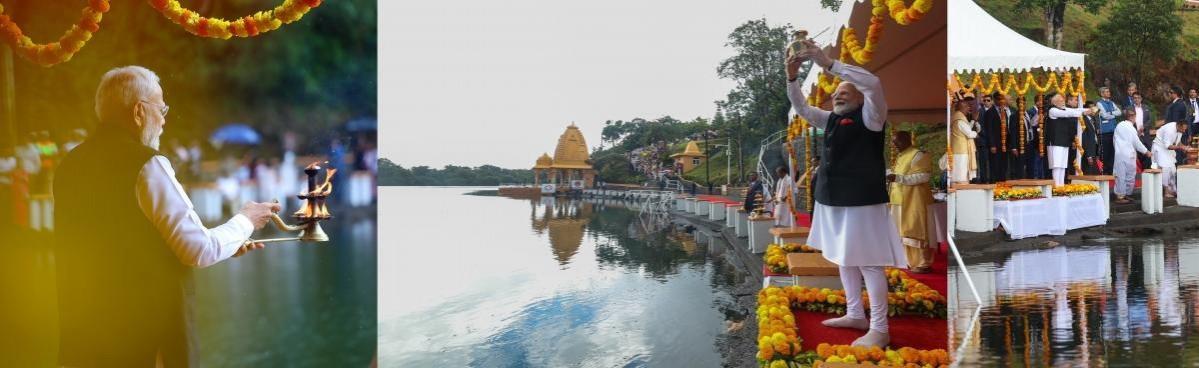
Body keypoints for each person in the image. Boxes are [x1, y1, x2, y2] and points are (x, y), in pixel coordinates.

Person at [53, 66, 281, 367]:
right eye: (161, 109)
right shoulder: (147, 165)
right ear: (138, 112)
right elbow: (199, 249)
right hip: (144, 342)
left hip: (83, 340)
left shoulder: (69, 164)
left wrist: (231, 241)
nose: (163, 120)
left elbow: (117, 242)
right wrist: (246, 220)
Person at [787, 39, 905, 347]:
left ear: (859, 98)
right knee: (844, 258)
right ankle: (855, 313)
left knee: (869, 262)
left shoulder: (872, 116)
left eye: (844, 92)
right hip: (832, 199)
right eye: (835, 93)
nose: (836, 96)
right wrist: (791, 78)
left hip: (862, 200)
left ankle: (880, 328)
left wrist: (828, 63)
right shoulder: (830, 120)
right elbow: (800, 107)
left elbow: (873, 83)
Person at [887, 131, 934, 273]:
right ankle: (906, 260)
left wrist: (899, 178)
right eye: (893, 142)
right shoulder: (901, 156)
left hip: (914, 201)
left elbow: (924, 176)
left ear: (907, 140)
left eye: (897, 142)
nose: (894, 145)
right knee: (900, 233)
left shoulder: (918, 154)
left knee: (916, 230)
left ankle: (922, 263)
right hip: (897, 200)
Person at [1046, 94, 1094, 185]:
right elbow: (1068, 113)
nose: (1063, 101)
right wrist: (1083, 113)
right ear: (1055, 102)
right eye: (1061, 100)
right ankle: (1056, 186)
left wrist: (1088, 110)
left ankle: (1061, 185)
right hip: (1055, 142)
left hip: (1064, 141)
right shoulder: (1052, 110)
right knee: (1057, 166)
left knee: (1063, 166)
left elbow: (1075, 110)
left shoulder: (1062, 108)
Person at [1114, 107, 1151, 204]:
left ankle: (1125, 194)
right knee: (1125, 175)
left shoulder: (1119, 125)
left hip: (1121, 153)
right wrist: (1146, 151)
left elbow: (1116, 140)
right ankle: (1121, 196)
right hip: (1127, 153)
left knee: (1126, 174)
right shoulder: (1130, 127)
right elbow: (1136, 142)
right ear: (1132, 117)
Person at [1152, 120, 1189, 198]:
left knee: (1173, 170)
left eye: (1185, 129)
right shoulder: (1169, 130)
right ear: (1178, 125)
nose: (1184, 131)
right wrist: (1180, 147)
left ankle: (1172, 190)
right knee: (1166, 169)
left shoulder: (1179, 130)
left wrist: (1184, 147)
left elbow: (1177, 142)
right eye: (1183, 129)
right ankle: (1166, 192)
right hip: (1160, 148)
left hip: (1167, 151)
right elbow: (1168, 146)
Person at [950, 96, 978, 184]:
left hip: (959, 148)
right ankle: (961, 185)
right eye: (967, 106)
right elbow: (969, 133)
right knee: (961, 170)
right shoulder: (959, 119)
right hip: (961, 150)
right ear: (962, 108)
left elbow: (966, 128)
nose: (968, 108)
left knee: (961, 169)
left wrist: (973, 121)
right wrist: (976, 134)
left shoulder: (958, 117)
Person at [1097, 87, 1122, 175]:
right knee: (1106, 151)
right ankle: (1106, 170)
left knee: (1113, 151)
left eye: (1108, 91)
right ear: (1102, 94)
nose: (1109, 93)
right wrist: (1113, 113)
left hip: (1113, 130)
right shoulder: (1099, 103)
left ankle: (1111, 170)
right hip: (1105, 131)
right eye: (1106, 92)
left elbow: (1119, 112)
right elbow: (1104, 115)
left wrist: (1111, 113)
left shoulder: (1112, 102)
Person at [998, 93, 1023, 179]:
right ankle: (1003, 179)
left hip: (1012, 139)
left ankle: (1013, 178)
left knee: (1013, 162)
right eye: (1010, 99)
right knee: (1003, 162)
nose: (1012, 100)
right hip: (1001, 140)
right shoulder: (999, 110)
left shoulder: (1013, 110)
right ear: (1004, 100)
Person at [1164, 86, 1189, 166]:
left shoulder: (1178, 105)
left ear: (1175, 94)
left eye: (1170, 93)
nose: (1169, 95)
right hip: (1176, 132)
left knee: (1178, 156)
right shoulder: (1177, 104)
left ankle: (1178, 175)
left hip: (1177, 133)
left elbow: (1175, 121)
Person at [1129, 92, 1154, 169]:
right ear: (1133, 99)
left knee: (1148, 153)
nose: (1137, 99)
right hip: (1135, 134)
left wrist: (1144, 127)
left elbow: (1150, 120)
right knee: (1138, 153)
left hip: (1145, 134)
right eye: (1135, 98)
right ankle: (1139, 172)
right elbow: (1128, 121)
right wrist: (1135, 131)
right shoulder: (1129, 108)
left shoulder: (1146, 107)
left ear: (1141, 99)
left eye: (1138, 98)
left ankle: (1148, 171)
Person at [1081, 101, 1102, 175]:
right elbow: (1085, 138)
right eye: (1092, 108)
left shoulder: (1094, 119)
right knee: (1090, 172)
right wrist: (1088, 155)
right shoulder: (1083, 120)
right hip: (1088, 151)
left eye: (1094, 107)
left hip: (1094, 148)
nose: (1094, 109)